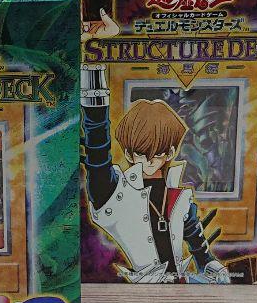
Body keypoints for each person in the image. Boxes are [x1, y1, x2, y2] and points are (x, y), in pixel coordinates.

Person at [81, 65, 229, 284]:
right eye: (141, 153)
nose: (150, 160)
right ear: (129, 154)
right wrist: (94, 96)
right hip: (144, 285)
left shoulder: (179, 197)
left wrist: (211, 265)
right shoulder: (116, 193)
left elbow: (199, 247)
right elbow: (98, 153)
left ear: (170, 152)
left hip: (180, 283)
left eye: (158, 152)